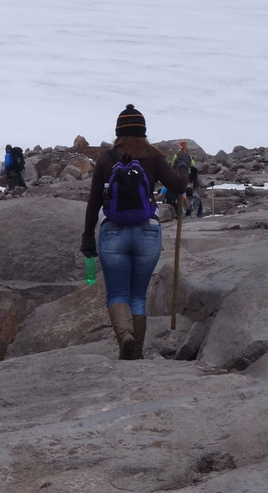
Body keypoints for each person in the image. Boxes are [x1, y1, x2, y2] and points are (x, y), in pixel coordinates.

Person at [81, 104, 190, 360]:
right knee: (138, 296)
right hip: (147, 232)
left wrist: (87, 237)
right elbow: (178, 185)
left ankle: (125, 336)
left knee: (118, 293)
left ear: (118, 131)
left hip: (113, 232)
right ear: (143, 131)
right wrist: (183, 164)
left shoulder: (106, 159)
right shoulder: (153, 156)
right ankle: (135, 354)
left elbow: (94, 201)